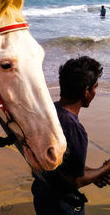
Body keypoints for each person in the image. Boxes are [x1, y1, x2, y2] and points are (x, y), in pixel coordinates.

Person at [31, 56, 110, 215]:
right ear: (86, 92)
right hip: (63, 206)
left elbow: (64, 167)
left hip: (42, 194)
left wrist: (95, 173)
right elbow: (74, 181)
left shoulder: (50, 113)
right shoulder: (75, 130)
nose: (95, 92)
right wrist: (106, 168)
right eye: (94, 87)